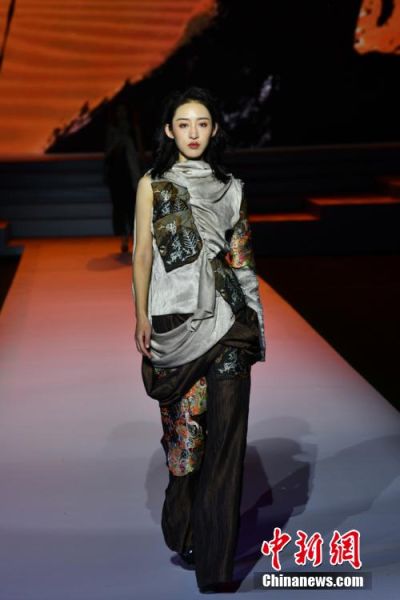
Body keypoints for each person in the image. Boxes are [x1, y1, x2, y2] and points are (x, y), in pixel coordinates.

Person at [131, 86, 266, 593]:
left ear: (214, 130)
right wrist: (139, 314)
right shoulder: (152, 183)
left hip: (230, 322)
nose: (193, 133)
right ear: (169, 130)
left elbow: (242, 262)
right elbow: (142, 254)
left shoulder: (232, 188)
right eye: (184, 124)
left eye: (202, 123)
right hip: (175, 321)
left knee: (227, 443)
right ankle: (183, 522)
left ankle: (216, 563)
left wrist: (257, 327)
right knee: (187, 443)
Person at [104, 102, 141, 253]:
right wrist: (118, 142)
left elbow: (140, 149)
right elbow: (108, 151)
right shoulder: (112, 129)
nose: (121, 114)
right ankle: (124, 237)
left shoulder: (132, 127)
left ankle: (134, 237)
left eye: (123, 111)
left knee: (133, 205)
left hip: (132, 171)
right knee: (120, 206)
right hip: (118, 172)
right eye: (119, 111)